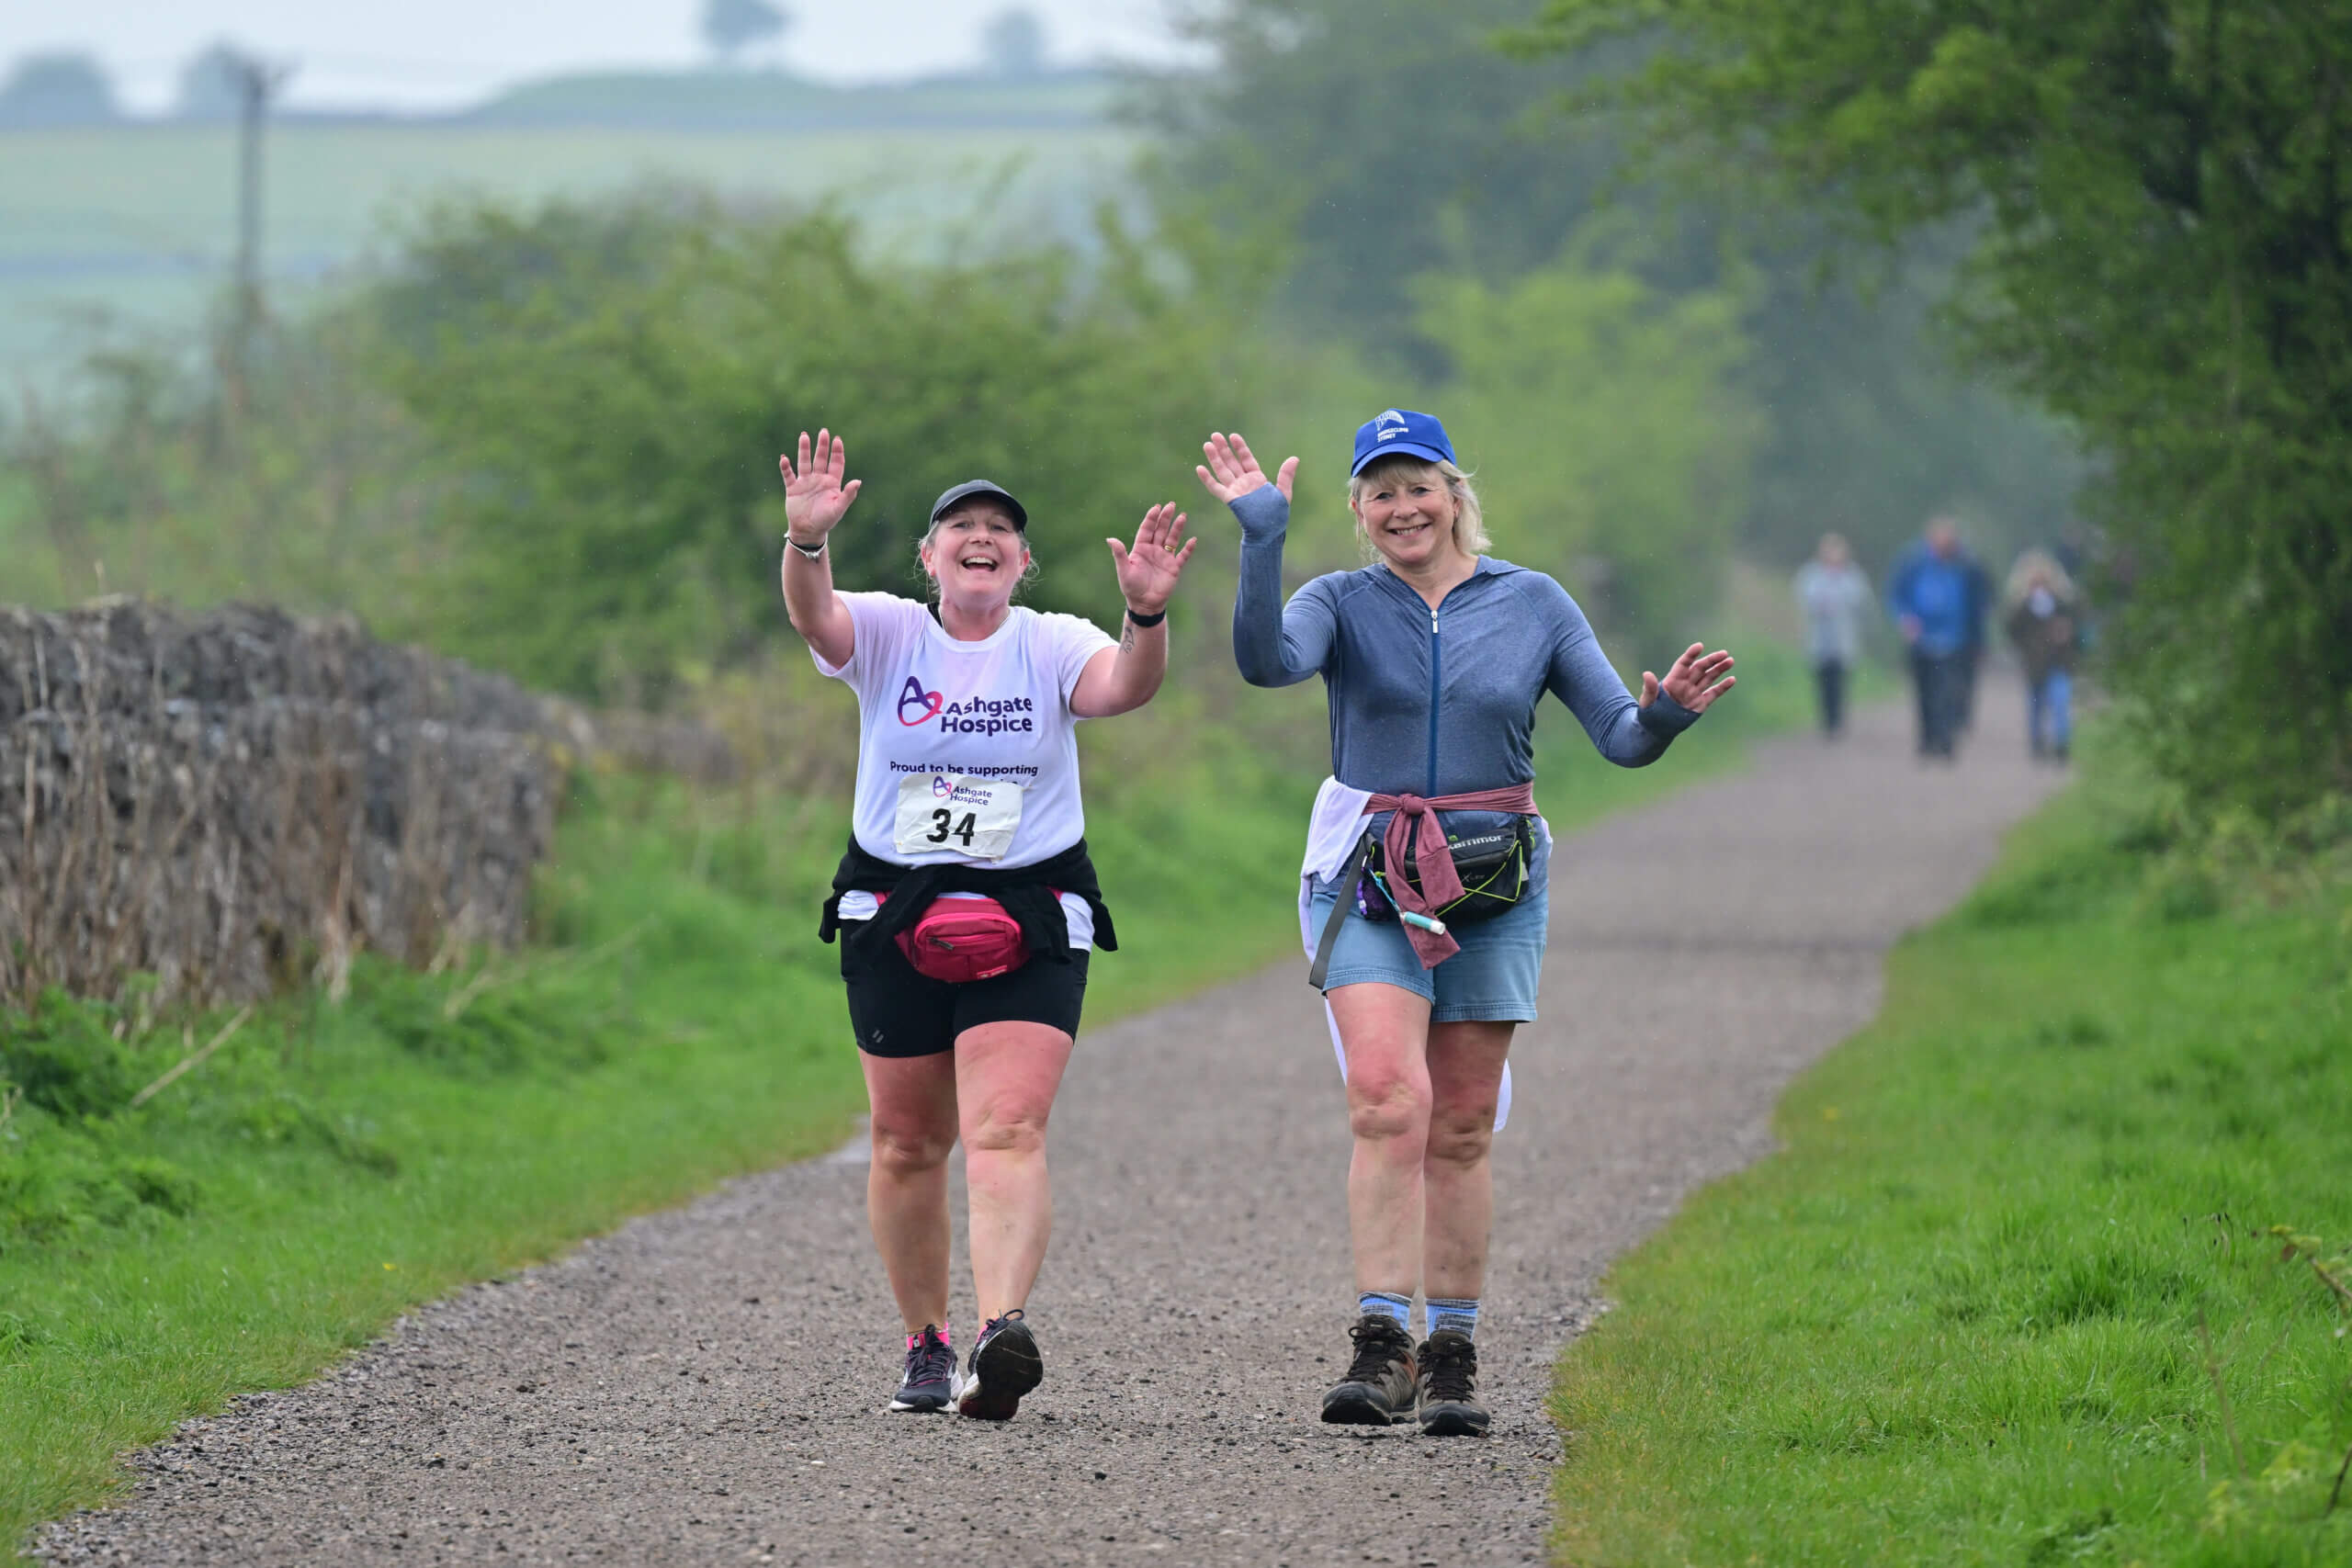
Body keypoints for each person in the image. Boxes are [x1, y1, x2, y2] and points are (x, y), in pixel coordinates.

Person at [1197, 412, 1735, 1438]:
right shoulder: (1339, 603)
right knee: (1387, 1100)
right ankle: (1378, 1340)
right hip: (1368, 872)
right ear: (1357, 511)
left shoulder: (1532, 602)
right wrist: (1260, 534)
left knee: (1460, 1121)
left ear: (1454, 494)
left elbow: (1620, 738)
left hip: (1495, 876)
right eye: (1380, 492)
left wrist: (1665, 718)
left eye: (1418, 486)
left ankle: (1450, 1356)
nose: (1403, 508)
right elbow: (1265, 664)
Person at [778, 428, 1196, 1420]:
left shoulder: (1051, 639)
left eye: (999, 529)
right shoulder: (887, 631)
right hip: (896, 902)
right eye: (960, 526)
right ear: (929, 558)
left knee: (1006, 1127)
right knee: (907, 1140)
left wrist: (1145, 613)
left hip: (1030, 902)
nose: (980, 538)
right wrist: (805, 544)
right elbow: (819, 620)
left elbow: (1124, 688)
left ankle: (997, 1333)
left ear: (1021, 562)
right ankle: (924, 1344)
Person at [1885, 516, 1979, 758]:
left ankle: (1946, 739)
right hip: (1921, 639)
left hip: (1953, 639)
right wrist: (1905, 619)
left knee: (1948, 691)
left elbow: (1976, 600)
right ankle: (1927, 740)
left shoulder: (1964, 563)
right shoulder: (1912, 561)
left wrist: (1975, 635)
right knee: (1924, 691)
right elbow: (1896, 594)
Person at [2003, 548, 2081, 762]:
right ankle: (2037, 743)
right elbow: (2011, 630)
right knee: (2036, 705)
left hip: (2058, 661)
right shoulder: (2022, 606)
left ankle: (2061, 744)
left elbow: (2076, 625)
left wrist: (2066, 630)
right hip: (2035, 664)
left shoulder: (2063, 603)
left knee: (2060, 701)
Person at [1792, 533, 1872, 737]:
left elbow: (1860, 601)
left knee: (1840, 681)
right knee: (1823, 681)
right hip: (1820, 640)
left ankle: (1838, 720)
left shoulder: (1851, 576)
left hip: (1843, 639)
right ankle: (1827, 720)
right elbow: (1805, 598)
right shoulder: (1812, 575)